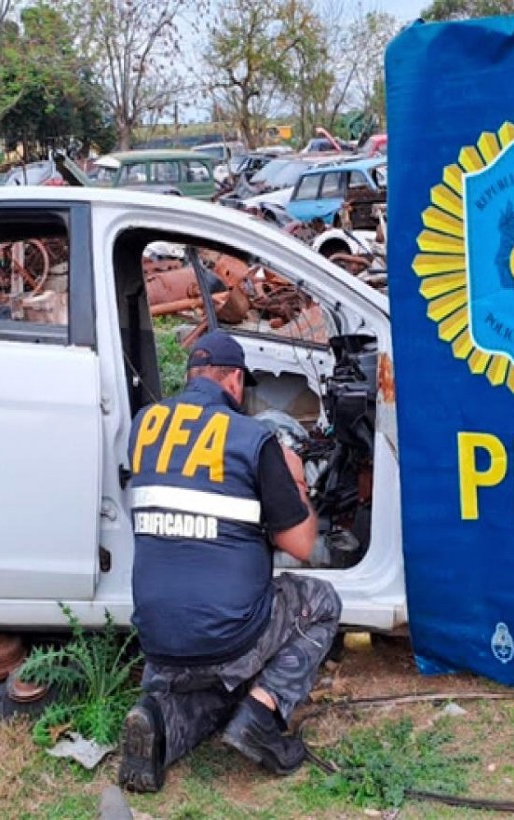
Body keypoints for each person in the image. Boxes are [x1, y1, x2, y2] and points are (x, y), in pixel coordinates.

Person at [118, 331, 342, 794]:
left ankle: (157, 721)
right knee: (320, 601)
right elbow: (300, 545)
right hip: (229, 634)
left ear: (192, 377)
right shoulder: (253, 438)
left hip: (157, 636)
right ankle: (262, 714)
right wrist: (294, 478)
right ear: (235, 382)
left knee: (216, 688)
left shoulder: (144, 424)